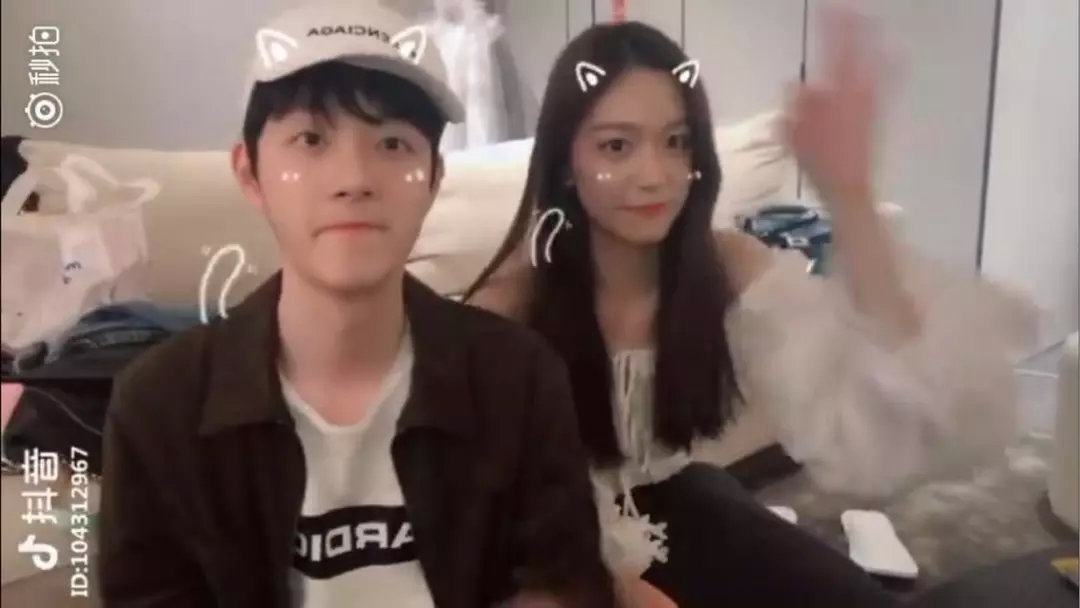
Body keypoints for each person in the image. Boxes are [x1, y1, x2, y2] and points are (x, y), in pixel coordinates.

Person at [465, 7, 1038, 608]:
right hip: (554, 546)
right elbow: (479, 523)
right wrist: (621, 589)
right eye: (616, 145)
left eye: (676, 141)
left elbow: (890, 399)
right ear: (565, 163)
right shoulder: (507, 306)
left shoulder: (726, 263)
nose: (654, 174)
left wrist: (850, 197)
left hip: (680, 498)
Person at [97, 2, 615, 606]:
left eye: (393, 144)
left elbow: (561, 582)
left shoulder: (519, 378)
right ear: (250, 172)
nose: (354, 179)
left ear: (434, 177)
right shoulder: (159, 405)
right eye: (311, 139)